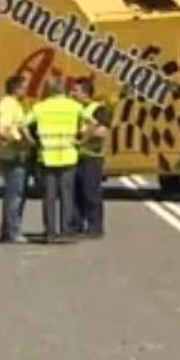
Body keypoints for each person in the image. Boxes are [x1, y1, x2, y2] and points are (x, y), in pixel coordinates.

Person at [25, 78, 85, 243]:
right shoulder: (74, 106)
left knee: (49, 197)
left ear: (48, 90)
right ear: (62, 90)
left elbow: (23, 124)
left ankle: (50, 232)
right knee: (67, 195)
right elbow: (92, 122)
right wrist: (82, 139)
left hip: (47, 157)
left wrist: (31, 141)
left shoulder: (39, 107)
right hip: (68, 155)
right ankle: (66, 230)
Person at [70, 78, 111, 239]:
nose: (72, 93)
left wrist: (83, 135)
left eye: (76, 90)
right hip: (74, 157)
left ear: (86, 93)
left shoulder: (99, 109)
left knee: (90, 193)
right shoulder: (73, 108)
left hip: (91, 157)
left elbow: (103, 132)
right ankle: (76, 225)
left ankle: (95, 227)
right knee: (74, 194)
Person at [0, 75, 33, 243]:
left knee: (16, 194)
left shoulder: (15, 105)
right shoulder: (7, 105)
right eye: (24, 87)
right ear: (16, 88)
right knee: (15, 195)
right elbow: (2, 130)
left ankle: (7, 230)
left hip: (17, 154)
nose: (26, 91)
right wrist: (18, 143)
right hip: (13, 155)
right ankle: (13, 232)